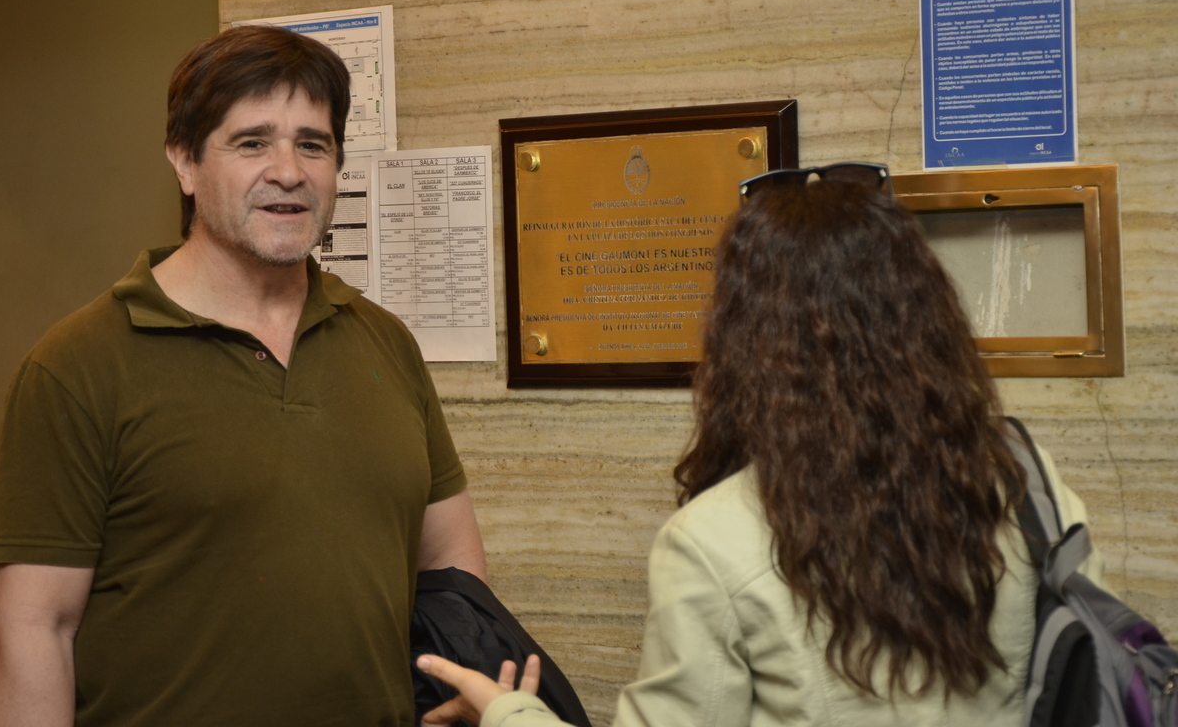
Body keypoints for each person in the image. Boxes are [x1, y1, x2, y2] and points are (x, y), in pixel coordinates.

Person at [417, 163, 1106, 727]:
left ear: (744, 343)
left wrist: (505, 712)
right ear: (925, 318)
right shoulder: (1021, 482)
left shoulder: (714, 542)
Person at [0, 24, 487, 727]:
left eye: (313, 144)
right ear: (184, 163)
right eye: (252, 143)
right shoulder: (78, 366)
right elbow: (35, 629)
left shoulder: (385, 342)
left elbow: (451, 564)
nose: (288, 171)